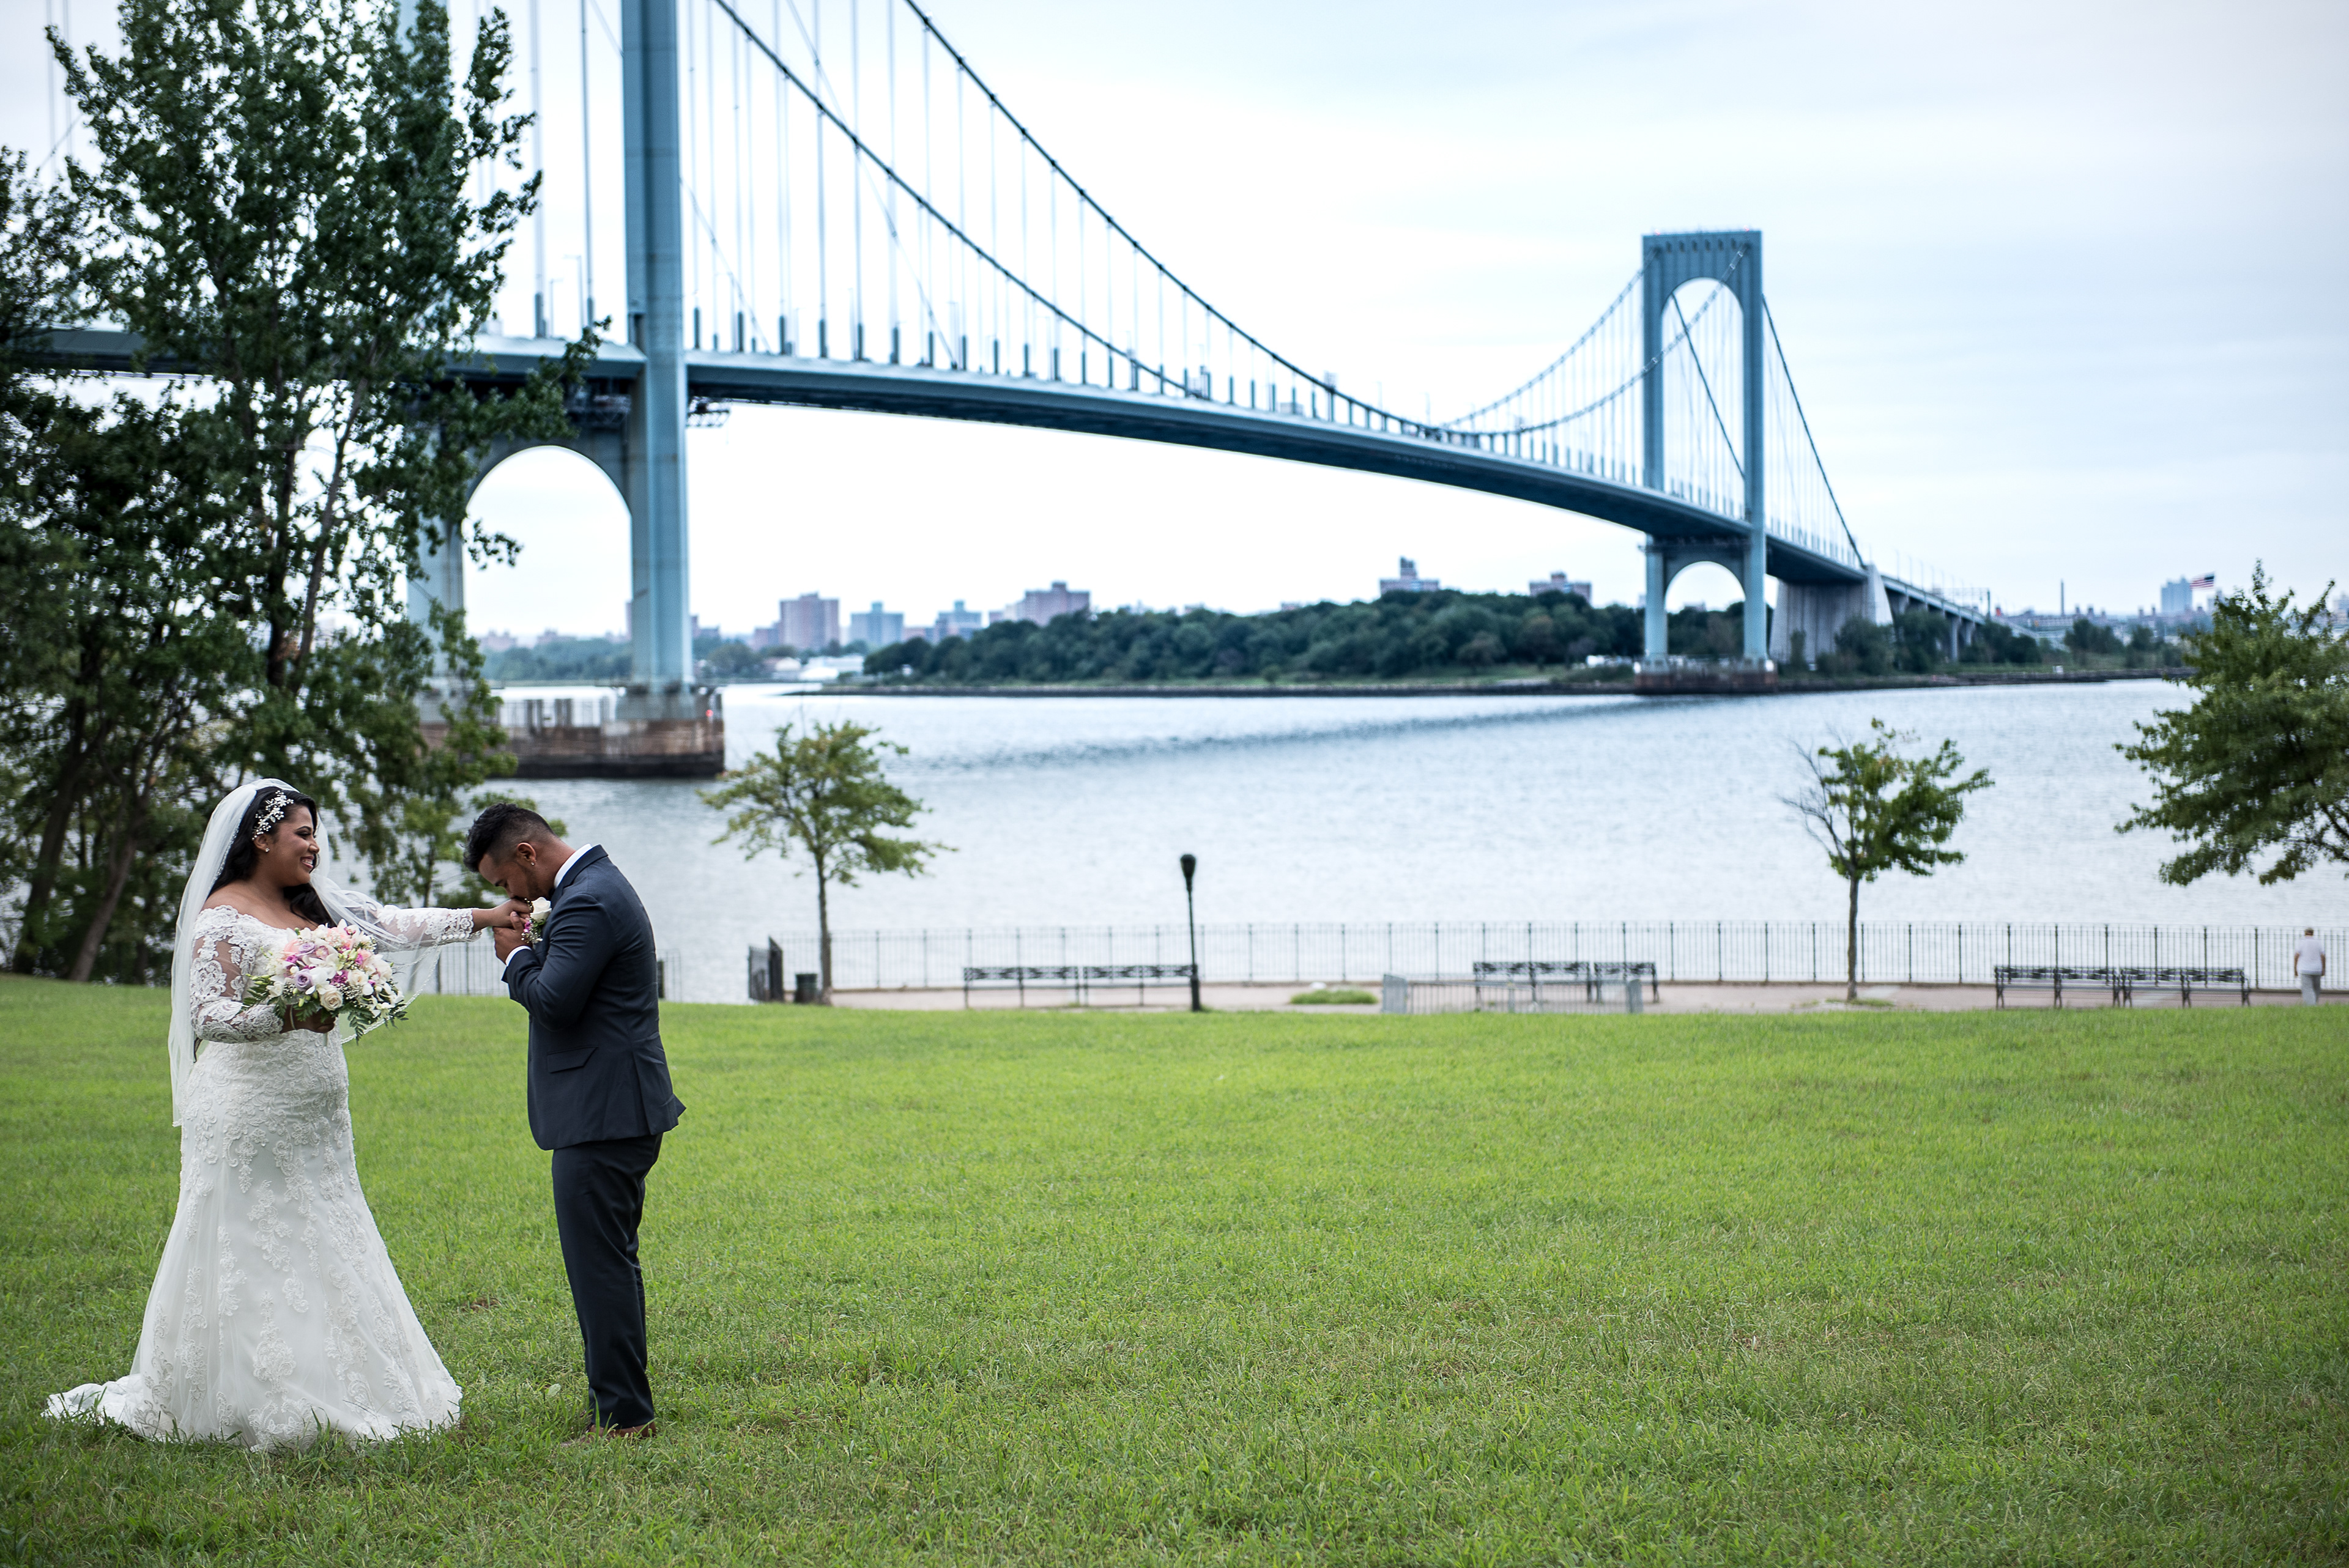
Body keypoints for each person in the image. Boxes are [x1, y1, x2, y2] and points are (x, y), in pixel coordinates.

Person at [47, 780, 530, 1449]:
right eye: (303, 833)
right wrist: (287, 1016)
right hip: (248, 1107)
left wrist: (485, 917)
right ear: (261, 838)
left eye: (315, 834)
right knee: (252, 1239)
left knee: (330, 1229)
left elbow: (391, 924)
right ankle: (249, 1391)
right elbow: (207, 1014)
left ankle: (349, 1379)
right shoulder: (222, 917)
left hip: (317, 1109)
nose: (314, 846)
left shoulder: (313, 904)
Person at [466, 804, 683, 1443]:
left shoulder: (587, 899)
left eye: (504, 879)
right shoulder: (593, 887)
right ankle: (621, 1405)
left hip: (605, 1113)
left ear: (527, 854)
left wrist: (515, 957)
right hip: (612, 1107)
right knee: (609, 1263)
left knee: (600, 1270)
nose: (510, 894)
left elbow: (555, 1002)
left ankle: (624, 1417)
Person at [2298, 927, 2327, 1006]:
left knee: (2307, 989)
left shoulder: (2302, 942)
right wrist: (2323, 969)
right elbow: (2323, 956)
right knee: (2316, 988)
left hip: (2305, 969)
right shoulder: (2318, 942)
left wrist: (2295, 969)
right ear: (2313, 933)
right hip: (2317, 969)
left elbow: (2297, 955)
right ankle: (2315, 1003)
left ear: (2305, 933)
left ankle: (2311, 1006)